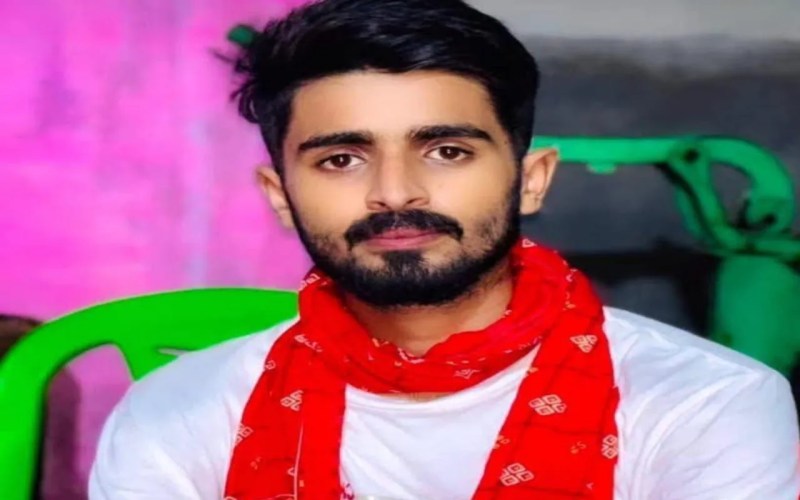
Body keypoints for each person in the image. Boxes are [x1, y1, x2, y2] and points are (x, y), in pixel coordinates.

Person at [89, 0, 799, 498]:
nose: (396, 192)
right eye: (341, 159)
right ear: (281, 195)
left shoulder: (704, 404)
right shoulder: (178, 412)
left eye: (447, 150)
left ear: (531, 178)